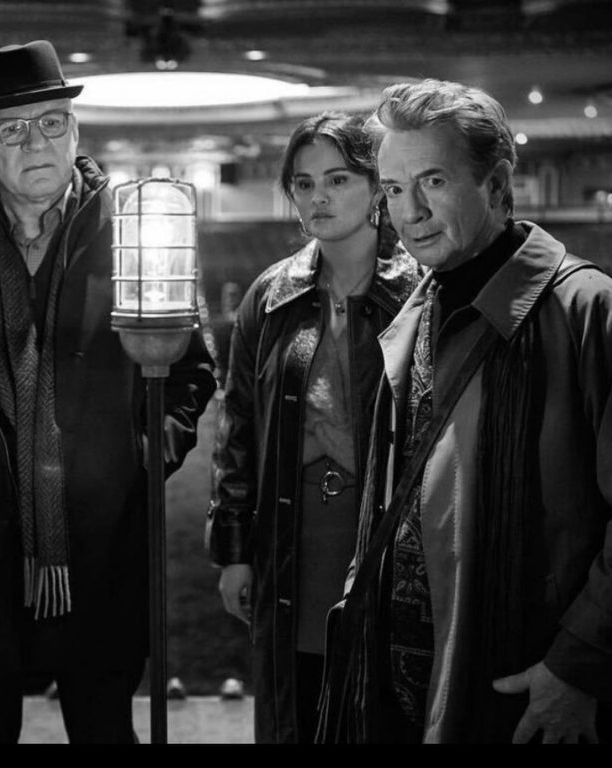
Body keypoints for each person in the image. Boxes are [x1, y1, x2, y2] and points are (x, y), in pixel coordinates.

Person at [318, 79, 612, 744]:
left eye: (434, 181)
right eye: (393, 189)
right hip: (411, 694)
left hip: (524, 695)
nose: (411, 212)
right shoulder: (420, 307)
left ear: (499, 184)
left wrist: (579, 667)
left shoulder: (594, 313)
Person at [0, 40, 216, 743]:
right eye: (11, 128)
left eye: (49, 122)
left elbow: (192, 372)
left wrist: (141, 455)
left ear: (75, 130)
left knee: (104, 726)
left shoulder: (136, 230)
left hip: (101, 542)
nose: (34, 142)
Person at [206, 111, 422, 743]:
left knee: (382, 708)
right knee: (297, 704)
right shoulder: (271, 295)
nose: (318, 197)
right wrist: (233, 552)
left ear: (377, 186)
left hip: (385, 539)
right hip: (291, 536)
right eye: (303, 183)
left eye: (337, 179)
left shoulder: (420, 293)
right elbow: (237, 427)